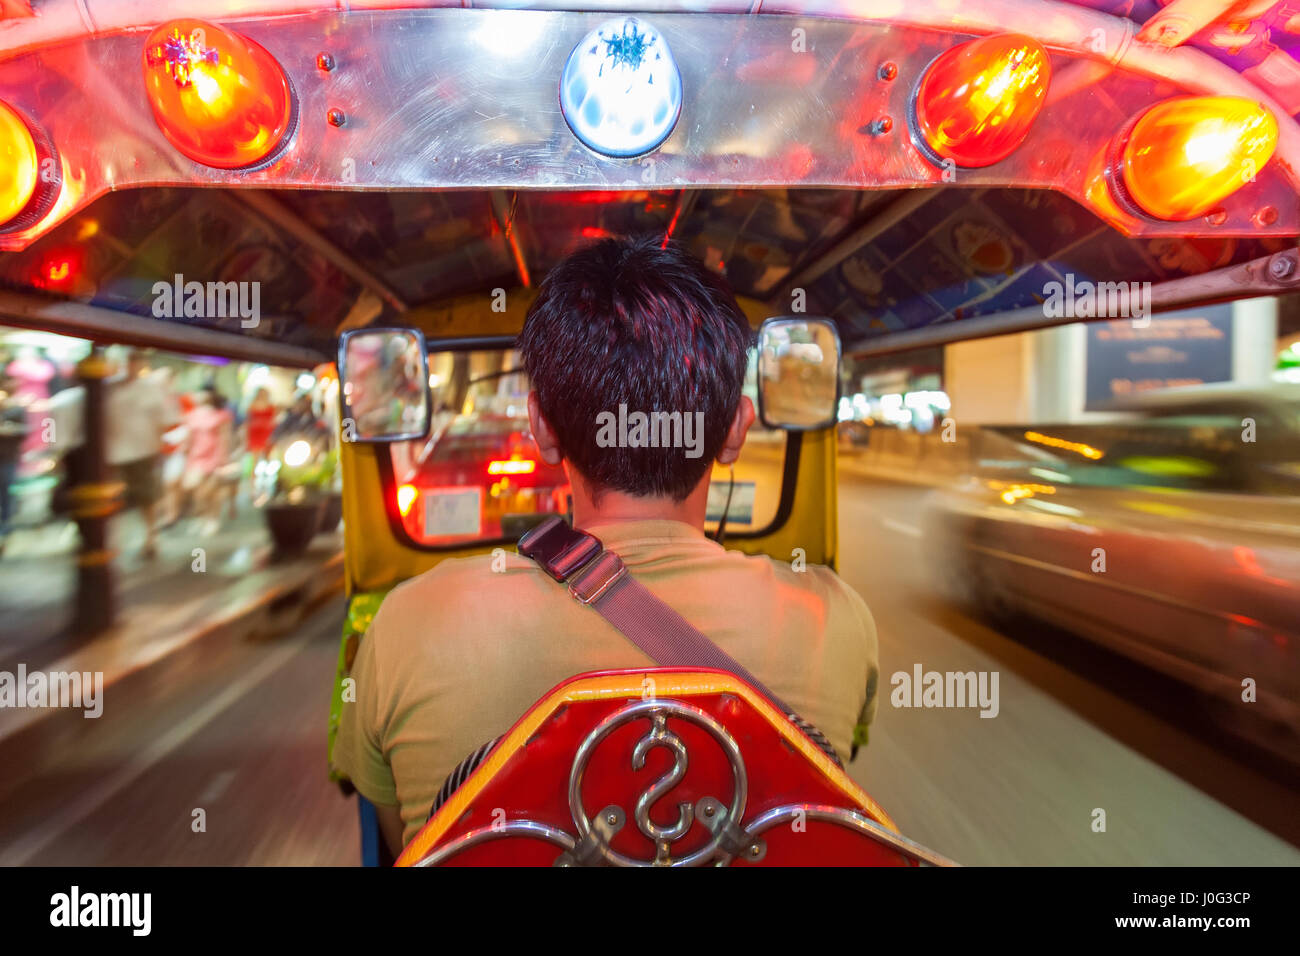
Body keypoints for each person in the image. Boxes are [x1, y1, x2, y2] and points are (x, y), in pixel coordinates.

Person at [332, 236, 880, 858]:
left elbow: (406, 843)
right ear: (735, 429)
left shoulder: (408, 623)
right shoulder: (832, 619)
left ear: (540, 427)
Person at [105, 350, 180, 560]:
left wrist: (157, 446)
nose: (130, 364)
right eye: (127, 360)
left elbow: (166, 421)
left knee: (146, 497)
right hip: (112, 453)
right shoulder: (107, 388)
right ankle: (111, 541)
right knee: (112, 498)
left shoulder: (151, 389)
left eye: (135, 360)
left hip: (142, 451)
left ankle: (151, 538)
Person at [182, 385, 234, 534]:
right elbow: (189, 436)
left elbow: (225, 437)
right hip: (196, 457)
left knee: (212, 490)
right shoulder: (192, 415)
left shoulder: (222, 415)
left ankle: (213, 519)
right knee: (198, 491)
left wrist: (224, 458)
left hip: (214, 456)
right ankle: (202, 517)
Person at [0, 372, 31, 557]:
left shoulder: (18, 408)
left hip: (8, 456)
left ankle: (5, 530)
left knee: (6, 493)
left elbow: (24, 431)